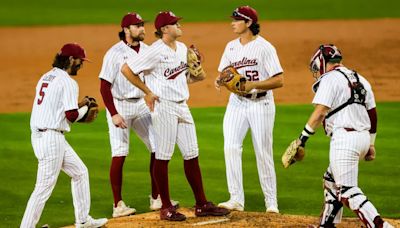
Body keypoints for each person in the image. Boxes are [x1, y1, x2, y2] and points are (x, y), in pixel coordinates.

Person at [120, 11, 230, 221]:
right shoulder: (155, 51)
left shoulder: (181, 48)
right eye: (175, 23)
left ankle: (201, 204)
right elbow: (127, 70)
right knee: (163, 155)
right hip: (164, 107)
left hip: (182, 106)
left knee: (192, 153)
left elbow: (182, 78)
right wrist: (147, 91)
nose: (180, 25)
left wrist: (196, 70)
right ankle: (166, 207)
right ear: (164, 29)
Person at [293, 44, 393, 228]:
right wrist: (371, 144)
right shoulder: (361, 78)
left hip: (345, 139)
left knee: (347, 191)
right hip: (362, 137)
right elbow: (372, 113)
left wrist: (302, 139)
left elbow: (320, 112)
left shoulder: (330, 79)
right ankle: (327, 225)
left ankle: (382, 226)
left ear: (323, 63)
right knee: (331, 180)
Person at [98, 12, 178, 218]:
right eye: (137, 26)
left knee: (157, 147)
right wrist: (114, 114)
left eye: (143, 25)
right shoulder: (114, 53)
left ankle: (156, 198)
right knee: (120, 152)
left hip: (142, 105)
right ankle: (118, 205)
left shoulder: (147, 50)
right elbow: (104, 87)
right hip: (120, 105)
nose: (142, 29)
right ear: (126, 30)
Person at [21, 43, 108, 228]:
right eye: (79, 61)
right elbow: (72, 116)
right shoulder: (68, 82)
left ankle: (83, 220)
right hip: (51, 139)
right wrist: (86, 107)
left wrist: (81, 103)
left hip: (44, 135)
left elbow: (58, 108)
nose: (81, 65)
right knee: (43, 188)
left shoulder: (47, 76)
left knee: (80, 172)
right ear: (70, 60)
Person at [215, 5, 283, 213]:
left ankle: (271, 202)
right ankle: (236, 198)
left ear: (249, 23)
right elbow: (224, 73)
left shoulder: (265, 47)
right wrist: (220, 81)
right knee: (231, 148)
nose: (232, 23)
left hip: (260, 103)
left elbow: (279, 80)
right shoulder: (231, 47)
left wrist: (254, 85)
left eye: (237, 19)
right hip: (236, 103)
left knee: (263, 152)